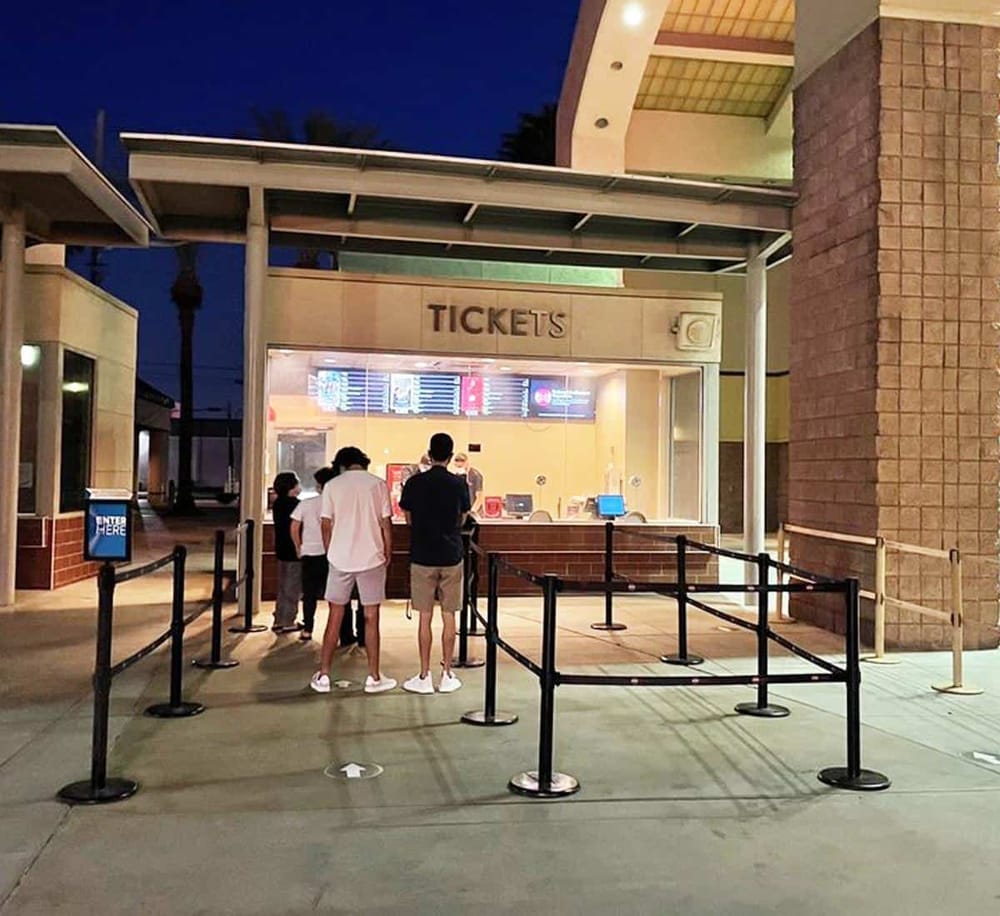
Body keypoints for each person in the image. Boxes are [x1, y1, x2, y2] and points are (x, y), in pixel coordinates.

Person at [310, 446, 396, 695]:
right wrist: (387, 551)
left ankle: (324, 675)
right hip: (372, 557)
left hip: (340, 558)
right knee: (372, 617)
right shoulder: (378, 484)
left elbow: (326, 523)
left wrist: (329, 550)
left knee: (334, 616)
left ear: (341, 465)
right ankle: (374, 677)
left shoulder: (332, 486)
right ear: (363, 463)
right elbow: (386, 523)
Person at [399, 432, 471, 695]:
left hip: (422, 555)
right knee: (449, 615)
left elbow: (407, 518)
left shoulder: (414, 483)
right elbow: (463, 518)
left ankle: (424, 675)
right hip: (451, 555)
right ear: (451, 456)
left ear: (429, 455)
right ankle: (448, 674)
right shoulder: (459, 484)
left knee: (425, 617)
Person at [290, 466, 335, 641]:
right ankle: (338, 630)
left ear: (318, 485)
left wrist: (298, 546)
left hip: (309, 553)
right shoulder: (336, 503)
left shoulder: (307, 503)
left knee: (309, 594)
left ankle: (308, 628)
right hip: (331, 554)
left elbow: (294, 526)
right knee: (335, 595)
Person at [270, 471, 303, 634]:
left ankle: (279, 619)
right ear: (292, 487)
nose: (300, 486)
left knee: (283, 585)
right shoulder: (296, 504)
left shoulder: (278, 503)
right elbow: (296, 528)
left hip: (281, 548)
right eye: (297, 483)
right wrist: (299, 547)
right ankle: (289, 620)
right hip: (293, 550)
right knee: (293, 586)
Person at [453, 452, 484, 517]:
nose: (459, 464)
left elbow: (479, 498)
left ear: (467, 462)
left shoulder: (475, 475)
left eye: (462, 461)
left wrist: (472, 511)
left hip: (474, 512)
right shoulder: (456, 476)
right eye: (457, 461)